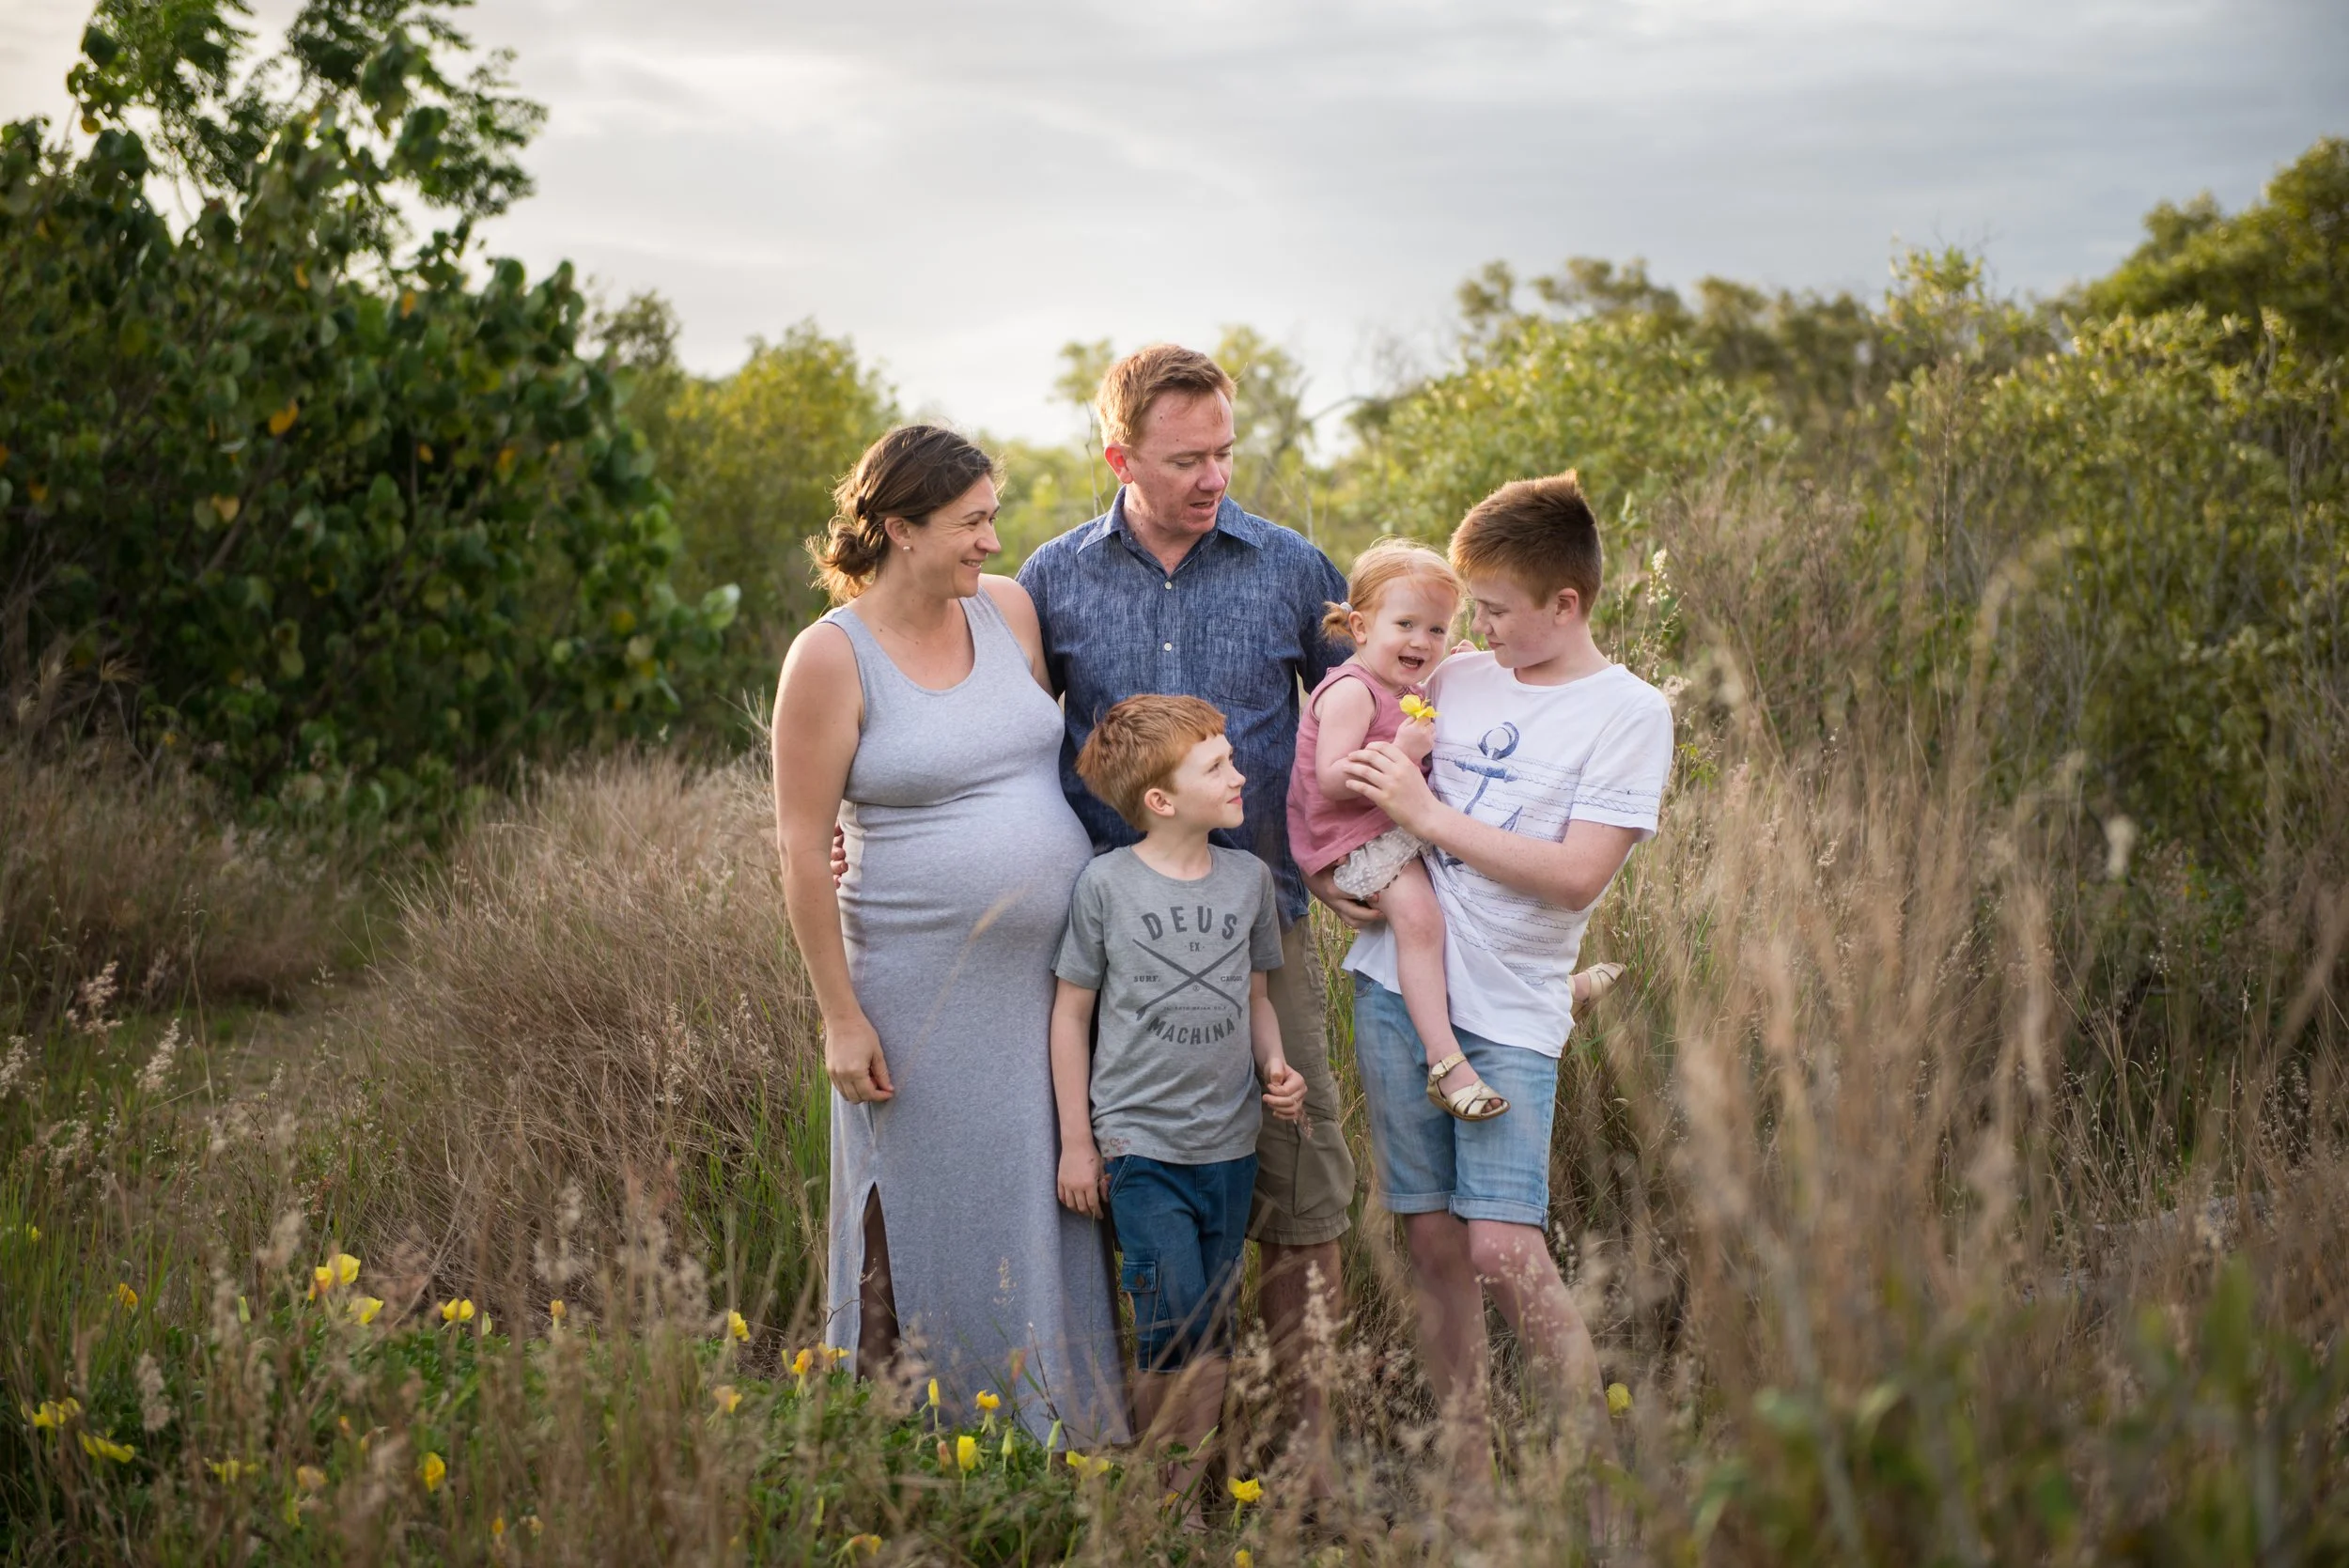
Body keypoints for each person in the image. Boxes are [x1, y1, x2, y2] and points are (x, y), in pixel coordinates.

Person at [1016, 344, 1357, 1486]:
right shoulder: (1052, 580)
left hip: (1263, 939)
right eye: (1185, 458)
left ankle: (1303, 1474)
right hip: (1109, 951)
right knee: (1135, 1202)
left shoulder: (1291, 566)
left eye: (1224, 451)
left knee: (1299, 1198)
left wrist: (1358, 850)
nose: (1214, 476)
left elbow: (1366, 709)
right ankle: (1171, 1483)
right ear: (1118, 456)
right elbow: (998, 743)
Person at [1317, 472, 1673, 1491]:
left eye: (1500, 611)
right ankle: (1470, 1483)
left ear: (1566, 604)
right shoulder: (1462, 674)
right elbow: (1345, 745)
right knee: (1431, 1237)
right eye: (1473, 608)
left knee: (1503, 1247)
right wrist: (1330, 870)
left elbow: (1574, 877)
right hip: (1395, 985)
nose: (1476, 629)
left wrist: (1430, 824)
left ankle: (1608, 1488)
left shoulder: (1629, 712)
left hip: (1511, 1007)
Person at [771, 424, 1126, 1445]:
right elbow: (800, 847)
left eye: (992, 518)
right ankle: (926, 1438)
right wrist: (840, 1016)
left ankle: (1059, 1432)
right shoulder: (830, 659)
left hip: (1051, 989)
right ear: (899, 527)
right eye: (970, 522)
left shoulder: (1007, 609)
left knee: (1044, 1201)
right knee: (924, 1213)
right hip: (915, 988)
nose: (989, 540)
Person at [1048, 695, 1309, 1501]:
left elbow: (1258, 998)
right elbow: (1071, 1015)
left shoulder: (1248, 880)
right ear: (1160, 800)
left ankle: (1186, 1491)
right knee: (1174, 1324)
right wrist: (1079, 1143)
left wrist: (1277, 1067)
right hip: (1140, 1147)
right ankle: (1163, 1499)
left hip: (1229, 1146)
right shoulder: (1105, 885)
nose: (1241, 773)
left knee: (1216, 1326)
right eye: (1219, 765)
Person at [1290, 540, 1626, 1126]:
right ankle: (1447, 1065)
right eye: (1406, 625)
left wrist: (1460, 667)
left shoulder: (1404, 683)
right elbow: (1331, 779)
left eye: (1438, 630)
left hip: (1393, 826)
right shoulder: (1351, 690)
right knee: (1422, 924)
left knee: (1461, 901)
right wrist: (1400, 750)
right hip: (1353, 840)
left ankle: (1548, 994)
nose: (1423, 642)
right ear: (1361, 626)